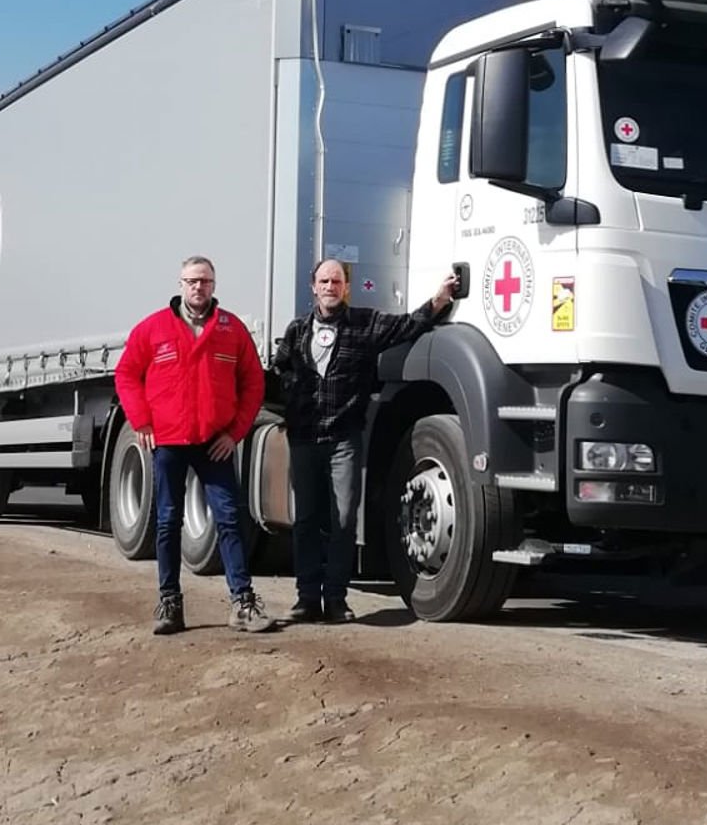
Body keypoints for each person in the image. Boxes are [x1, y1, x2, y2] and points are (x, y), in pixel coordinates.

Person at [273, 261, 458, 623]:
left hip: (344, 438)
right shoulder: (297, 330)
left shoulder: (365, 323)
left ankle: (337, 600)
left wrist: (438, 301)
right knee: (307, 520)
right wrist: (293, 401)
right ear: (313, 287)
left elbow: (408, 325)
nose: (330, 286)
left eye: (336, 281)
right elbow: (282, 369)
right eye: (324, 281)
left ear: (346, 288)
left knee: (342, 519)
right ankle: (307, 598)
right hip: (305, 438)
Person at [114, 256, 276, 637]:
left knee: (230, 519)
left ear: (214, 285)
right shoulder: (153, 329)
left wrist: (234, 433)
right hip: (168, 441)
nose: (198, 288)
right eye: (191, 281)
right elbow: (126, 374)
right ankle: (170, 603)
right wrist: (141, 421)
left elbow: (253, 384)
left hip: (213, 443)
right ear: (180, 283)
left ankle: (243, 604)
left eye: (205, 281)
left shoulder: (231, 329)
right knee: (168, 521)